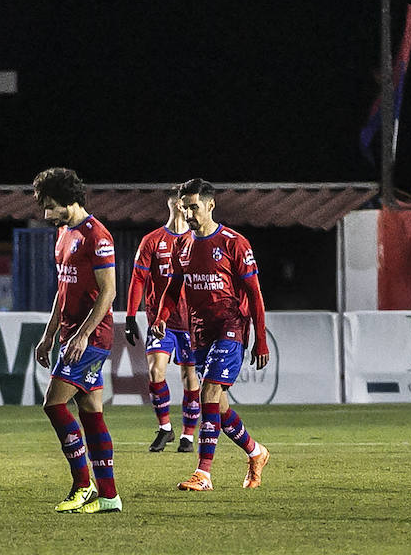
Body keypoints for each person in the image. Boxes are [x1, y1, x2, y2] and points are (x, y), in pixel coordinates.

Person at [153, 178, 270, 492]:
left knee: (207, 393)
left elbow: (255, 294)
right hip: (199, 332)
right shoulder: (183, 244)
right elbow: (172, 288)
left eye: (194, 207)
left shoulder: (234, 243)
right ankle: (256, 452)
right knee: (218, 406)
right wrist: (162, 317)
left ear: (210, 205)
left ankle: (203, 473)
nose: (189, 214)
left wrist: (260, 338)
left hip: (230, 329)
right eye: (185, 208)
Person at [31, 167, 122, 514]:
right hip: (71, 334)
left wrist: (82, 335)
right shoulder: (64, 234)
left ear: (69, 201)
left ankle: (83, 485)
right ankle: (109, 496)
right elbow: (63, 289)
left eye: (51, 206)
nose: (46, 214)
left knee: (54, 405)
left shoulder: (97, 236)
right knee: (90, 412)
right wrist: (48, 335)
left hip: (92, 335)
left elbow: (109, 292)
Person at [125, 196, 202, 453]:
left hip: (191, 321)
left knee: (190, 377)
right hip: (161, 321)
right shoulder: (153, 240)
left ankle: (188, 436)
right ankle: (166, 428)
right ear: (171, 204)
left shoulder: (197, 241)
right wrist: (130, 316)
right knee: (155, 372)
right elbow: (138, 278)